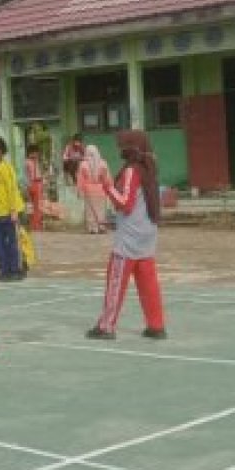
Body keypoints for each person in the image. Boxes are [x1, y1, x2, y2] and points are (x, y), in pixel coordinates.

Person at [87, 130, 167, 340]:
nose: (120, 149)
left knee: (115, 281)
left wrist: (107, 186)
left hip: (130, 237)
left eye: (123, 146)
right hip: (148, 233)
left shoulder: (132, 170)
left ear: (132, 147)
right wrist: (115, 220)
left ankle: (106, 326)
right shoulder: (150, 167)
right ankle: (156, 326)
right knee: (148, 284)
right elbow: (140, 203)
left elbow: (125, 203)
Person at [0, 138, 27, 281]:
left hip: (10, 212)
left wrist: (14, 210)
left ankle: (15, 270)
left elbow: (12, 189)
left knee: (12, 242)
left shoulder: (6, 168)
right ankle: (5, 269)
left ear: (0, 152)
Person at [77, 144, 112, 234]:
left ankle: (92, 228)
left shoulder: (83, 164)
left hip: (89, 190)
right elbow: (107, 178)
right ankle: (101, 226)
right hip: (101, 190)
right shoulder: (103, 163)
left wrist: (80, 191)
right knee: (100, 210)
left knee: (90, 210)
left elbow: (80, 179)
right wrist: (109, 189)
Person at [25, 144, 45, 230]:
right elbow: (26, 175)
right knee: (31, 206)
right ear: (30, 153)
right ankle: (33, 225)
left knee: (38, 205)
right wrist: (27, 185)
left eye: (37, 153)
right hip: (31, 184)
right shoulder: (27, 162)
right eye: (35, 153)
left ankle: (37, 225)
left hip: (38, 183)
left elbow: (39, 173)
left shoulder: (37, 162)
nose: (36, 155)